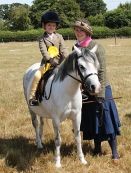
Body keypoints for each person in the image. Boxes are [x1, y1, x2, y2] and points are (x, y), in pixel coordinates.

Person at [72, 19, 121, 161]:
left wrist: (100, 94)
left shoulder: (97, 47)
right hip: (86, 90)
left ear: (87, 32)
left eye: (81, 30)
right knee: (92, 120)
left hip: (102, 88)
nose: (78, 32)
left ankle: (114, 151)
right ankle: (97, 148)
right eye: (76, 30)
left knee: (106, 119)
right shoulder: (75, 48)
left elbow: (102, 72)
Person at [29, 11, 68, 106]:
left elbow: (63, 49)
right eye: (49, 25)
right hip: (47, 63)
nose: (51, 27)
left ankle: (81, 92)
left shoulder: (59, 36)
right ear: (44, 26)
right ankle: (32, 96)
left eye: (53, 25)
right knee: (37, 75)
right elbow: (44, 52)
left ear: (56, 26)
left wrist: (67, 58)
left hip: (60, 62)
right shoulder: (42, 39)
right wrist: (51, 61)